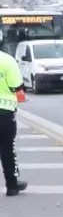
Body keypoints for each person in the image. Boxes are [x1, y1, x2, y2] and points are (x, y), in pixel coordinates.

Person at [0, 47, 26, 197]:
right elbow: (16, 86)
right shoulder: (7, 60)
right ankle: (12, 186)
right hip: (4, 113)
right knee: (7, 150)